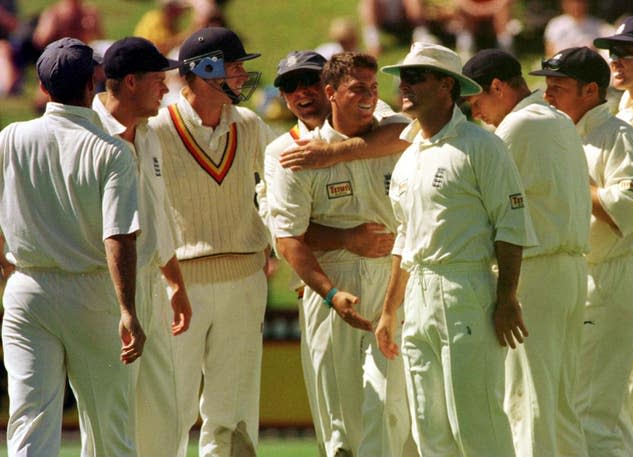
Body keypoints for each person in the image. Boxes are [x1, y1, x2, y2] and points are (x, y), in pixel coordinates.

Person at [375, 42, 537, 457]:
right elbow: (405, 237)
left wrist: (507, 298)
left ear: (447, 85)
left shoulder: (481, 145)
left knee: (476, 424)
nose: (404, 86)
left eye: (417, 77)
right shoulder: (409, 155)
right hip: (418, 296)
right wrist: (390, 309)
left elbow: (511, 224)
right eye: (402, 78)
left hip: (466, 288)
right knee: (430, 429)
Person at [263, 50, 415, 457]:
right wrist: (344, 251)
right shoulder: (287, 151)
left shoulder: (381, 120)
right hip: (334, 283)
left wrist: (331, 153)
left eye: (308, 81)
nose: (301, 92)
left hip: (394, 276)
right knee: (339, 420)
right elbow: (287, 236)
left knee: (393, 407)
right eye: (289, 86)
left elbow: (405, 129)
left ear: (327, 88)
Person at [0, 37, 145, 457]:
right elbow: (118, 236)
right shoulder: (113, 151)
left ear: (43, 89)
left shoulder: (10, 137)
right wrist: (128, 310)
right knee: (109, 426)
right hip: (91, 291)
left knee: (29, 421)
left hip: (27, 289)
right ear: (93, 83)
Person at [148, 26, 274, 457]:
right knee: (173, 406)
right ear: (203, 71)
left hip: (244, 280)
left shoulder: (252, 125)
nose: (242, 75)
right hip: (179, 286)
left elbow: (278, 190)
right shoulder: (157, 130)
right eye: (233, 66)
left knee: (232, 410)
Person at [462, 49, 592, 457]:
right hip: (570, 272)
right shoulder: (560, 120)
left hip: (535, 274)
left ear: (498, 87)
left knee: (527, 401)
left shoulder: (516, 127)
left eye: (477, 102)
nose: (477, 114)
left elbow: (481, 202)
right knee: (560, 405)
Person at [530, 45, 633, 457]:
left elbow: (628, 208)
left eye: (558, 87)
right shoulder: (561, 134)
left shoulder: (618, 135)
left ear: (590, 90)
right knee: (577, 409)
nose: (547, 95)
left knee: (595, 412)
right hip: (575, 279)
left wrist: (569, 180)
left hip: (610, 278)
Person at [91, 36, 193, 457]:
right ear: (130, 82)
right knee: (112, 418)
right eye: (158, 80)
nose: (166, 89)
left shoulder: (149, 132)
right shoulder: (88, 132)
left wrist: (176, 282)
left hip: (152, 285)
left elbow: (157, 212)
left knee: (164, 417)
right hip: (104, 290)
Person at [594, 16, 633, 455]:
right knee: (620, 395)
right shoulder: (618, 114)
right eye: (613, 52)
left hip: (630, 262)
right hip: (622, 264)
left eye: (627, 51)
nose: (616, 60)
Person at [543, 0, 614, 56]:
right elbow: (550, 51)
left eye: (580, 2)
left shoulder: (599, 26)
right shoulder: (555, 24)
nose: (576, 6)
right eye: (572, 2)